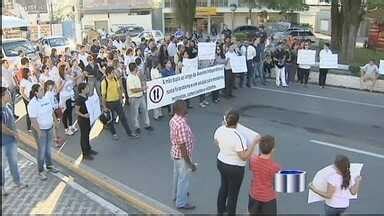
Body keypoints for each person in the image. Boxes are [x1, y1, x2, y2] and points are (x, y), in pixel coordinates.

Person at [215, 110, 258, 215]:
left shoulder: (219, 130)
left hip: (221, 162)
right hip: (235, 167)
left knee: (223, 187)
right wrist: (253, 143)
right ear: (237, 122)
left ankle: (220, 211)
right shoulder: (238, 137)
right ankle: (231, 213)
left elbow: (216, 142)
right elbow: (243, 157)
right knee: (233, 193)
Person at [28, 84, 59, 181]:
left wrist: (55, 121)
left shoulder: (46, 98)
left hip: (49, 128)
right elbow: (33, 120)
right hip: (40, 130)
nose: (43, 91)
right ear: (36, 93)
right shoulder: (32, 104)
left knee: (48, 149)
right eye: (40, 90)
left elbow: (51, 111)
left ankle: (49, 166)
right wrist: (39, 131)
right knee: (41, 151)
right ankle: (40, 171)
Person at [170, 100, 197, 210]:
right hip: (182, 157)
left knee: (177, 176)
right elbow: (182, 146)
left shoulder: (174, 119)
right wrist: (190, 164)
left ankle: (176, 195)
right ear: (180, 110)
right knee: (184, 179)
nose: (187, 108)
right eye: (185, 107)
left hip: (175, 153)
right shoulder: (181, 124)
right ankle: (181, 202)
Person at [1, 87, 28, 196]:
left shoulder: (8, 107)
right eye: (7, 93)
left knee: (13, 163)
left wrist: (16, 134)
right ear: (2, 96)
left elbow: (12, 123)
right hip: (2, 143)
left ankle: (18, 182)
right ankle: (1, 187)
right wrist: (14, 134)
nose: (9, 95)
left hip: (11, 142)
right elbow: (2, 127)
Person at [101, 66, 137, 139]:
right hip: (109, 103)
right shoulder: (104, 82)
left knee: (123, 118)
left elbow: (118, 89)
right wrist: (104, 107)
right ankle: (114, 134)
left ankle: (129, 132)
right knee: (111, 120)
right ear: (108, 74)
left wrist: (121, 98)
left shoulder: (115, 79)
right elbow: (103, 96)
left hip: (117, 102)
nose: (114, 74)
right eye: (112, 73)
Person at [248, 135, 281, 215]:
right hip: (268, 198)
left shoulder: (253, 160)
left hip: (254, 195)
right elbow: (277, 184)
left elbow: (251, 168)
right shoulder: (275, 167)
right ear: (273, 150)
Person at [127, 63, 153, 134]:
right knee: (135, 114)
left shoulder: (136, 75)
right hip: (134, 98)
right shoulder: (129, 78)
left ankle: (147, 124)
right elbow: (133, 90)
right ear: (134, 68)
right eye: (136, 67)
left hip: (140, 96)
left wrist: (142, 85)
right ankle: (137, 127)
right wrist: (143, 88)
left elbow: (140, 83)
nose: (138, 68)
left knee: (145, 111)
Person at [75, 83, 98, 160]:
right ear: (82, 90)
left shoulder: (86, 96)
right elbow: (76, 111)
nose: (88, 89)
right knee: (84, 136)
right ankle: (85, 154)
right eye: (87, 88)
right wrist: (83, 115)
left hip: (88, 119)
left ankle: (88, 149)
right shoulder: (79, 99)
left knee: (87, 135)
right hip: (83, 120)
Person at [57, 64, 77, 136]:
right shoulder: (60, 79)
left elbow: (73, 82)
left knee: (70, 111)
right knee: (65, 113)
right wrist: (63, 83)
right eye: (66, 69)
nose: (67, 70)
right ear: (62, 71)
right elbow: (58, 90)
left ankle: (71, 126)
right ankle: (66, 129)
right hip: (64, 98)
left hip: (70, 96)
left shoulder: (68, 76)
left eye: (67, 68)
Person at [19, 68, 36, 132]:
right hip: (27, 98)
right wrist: (27, 99)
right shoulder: (23, 81)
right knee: (29, 112)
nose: (30, 72)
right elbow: (22, 92)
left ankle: (34, 124)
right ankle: (29, 127)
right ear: (26, 73)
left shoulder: (30, 78)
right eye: (29, 72)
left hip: (32, 97)